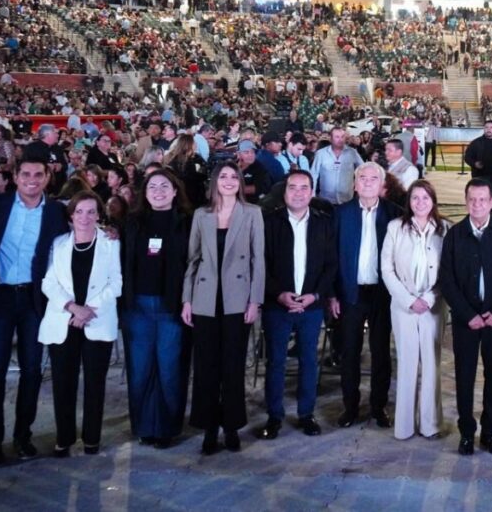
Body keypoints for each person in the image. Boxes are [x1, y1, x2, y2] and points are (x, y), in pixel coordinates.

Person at [0, 157, 69, 466]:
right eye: (26, 174)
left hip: (33, 299)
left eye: (39, 174)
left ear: (47, 177)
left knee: (32, 370)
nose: (32, 179)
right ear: (15, 177)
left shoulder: (56, 211)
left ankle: (22, 436)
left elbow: (81, 229)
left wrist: (109, 232)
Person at [182, 161, 264, 455]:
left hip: (237, 300)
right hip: (204, 299)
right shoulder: (201, 215)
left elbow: (258, 259)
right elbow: (193, 259)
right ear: (215, 181)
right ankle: (208, 427)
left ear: (240, 183)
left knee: (233, 366)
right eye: (223, 177)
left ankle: (231, 426)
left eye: (234, 177)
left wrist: (255, 300)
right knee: (206, 367)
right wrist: (187, 299)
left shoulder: (252, 213)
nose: (229, 181)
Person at [438, 178, 492, 456]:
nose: (477, 205)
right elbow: (447, 279)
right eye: (472, 200)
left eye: (482, 200)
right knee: (464, 376)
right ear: (466, 201)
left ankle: (490, 432)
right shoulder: (455, 235)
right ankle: (466, 433)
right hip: (466, 320)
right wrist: (467, 314)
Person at [38, 191, 122, 456]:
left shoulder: (111, 243)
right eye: (79, 212)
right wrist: (73, 308)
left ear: (99, 215)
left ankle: (91, 438)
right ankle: (64, 437)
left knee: (95, 383)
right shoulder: (59, 243)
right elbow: (48, 282)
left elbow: (116, 283)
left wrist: (89, 310)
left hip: (97, 319)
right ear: (71, 215)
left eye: (91, 212)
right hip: (64, 319)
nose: (85, 217)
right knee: (63, 382)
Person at [257, 170, 338, 440]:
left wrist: (316, 295)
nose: (298, 193)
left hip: (311, 306)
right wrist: (279, 294)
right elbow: (261, 264)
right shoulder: (269, 222)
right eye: (293, 187)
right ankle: (274, 416)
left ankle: (306, 414)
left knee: (309, 361)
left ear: (312, 193)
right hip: (277, 306)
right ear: (284, 192)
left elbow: (331, 265)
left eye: (304, 188)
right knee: (275, 362)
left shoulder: (324, 223)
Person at [120, 169, 192, 448]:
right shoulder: (132, 222)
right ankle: (143, 425)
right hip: (137, 307)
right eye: (152, 186)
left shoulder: (187, 222)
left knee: (170, 370)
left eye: (164, 186)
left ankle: (167, 428)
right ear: (145, 192)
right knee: (139, 370)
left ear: (175, 191)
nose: (158, 191)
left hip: (171, 307)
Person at [334, 162, 402, 429]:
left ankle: (378, 406)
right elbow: (331, 257)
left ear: (382, 185)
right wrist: (332, 294)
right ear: (354, 183)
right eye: (362, 178)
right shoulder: (340, 214)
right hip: (350, 293)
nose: (368, 182)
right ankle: (350, 406)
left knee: (380, 352)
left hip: (382, 294)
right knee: (349, 352)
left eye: (374, 178)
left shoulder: (395, 214)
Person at [380, 180, 450, 440]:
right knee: (407, 363)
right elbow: (386, 268)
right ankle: (405, 425)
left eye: (425, 198)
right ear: (408, 201)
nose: (420, 203)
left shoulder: (445, 229)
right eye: (415, 198)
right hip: (404, 306)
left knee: (431, 364)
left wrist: (430, 298)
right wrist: (408, 299)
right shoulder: (395, 228)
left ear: (433, 201)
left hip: (433, 306)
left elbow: (449, 270)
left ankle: (431, 424)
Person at [311, 126, 363, 206]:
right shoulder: (321, 154)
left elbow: (363, 169)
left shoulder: (352, 153)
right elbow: (313, 175)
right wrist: (312, 195)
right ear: (331, 138)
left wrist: (360, 190)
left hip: (347, 200)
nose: (340, 140)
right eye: (337, 137)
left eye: (342, 137)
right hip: (325, 200)